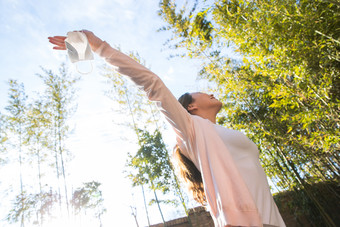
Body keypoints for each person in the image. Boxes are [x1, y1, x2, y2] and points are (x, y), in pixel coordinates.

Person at [48, 30, 286, 227]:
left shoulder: (216, 135)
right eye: (201, 92)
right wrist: (100, 47)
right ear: (190, 106)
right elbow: (152, 84)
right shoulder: (191, 130)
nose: (210, 92)